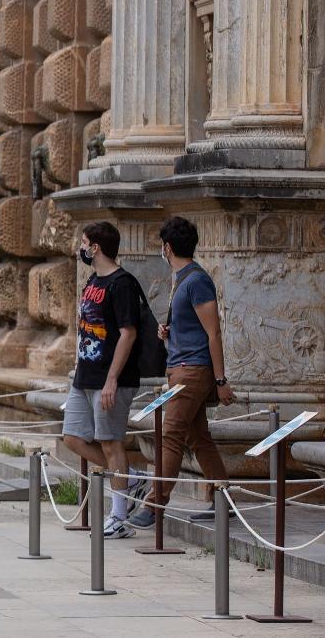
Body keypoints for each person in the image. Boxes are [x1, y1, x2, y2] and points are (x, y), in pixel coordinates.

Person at [130, 216, 236, 527]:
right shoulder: (185, 279)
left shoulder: (196, 280)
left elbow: (214, 333)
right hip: (181, 368)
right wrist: (170, 331)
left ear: (167, 247)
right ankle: (223, 498)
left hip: (192, 371)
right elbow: (194, 327)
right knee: (199, 438)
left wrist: (220, 381)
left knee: (170, 435)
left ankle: (154, 505)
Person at [62, 222, 148, 539]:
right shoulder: (93, 280)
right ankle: (130, 477)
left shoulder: (122, 283)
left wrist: (112, 379)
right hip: (85, 375)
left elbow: (128, 333)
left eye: (84, 243)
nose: (81, 248)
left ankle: (119, 517)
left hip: (111, 379)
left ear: (96, 247)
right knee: (72, 436)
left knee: (112, 444)